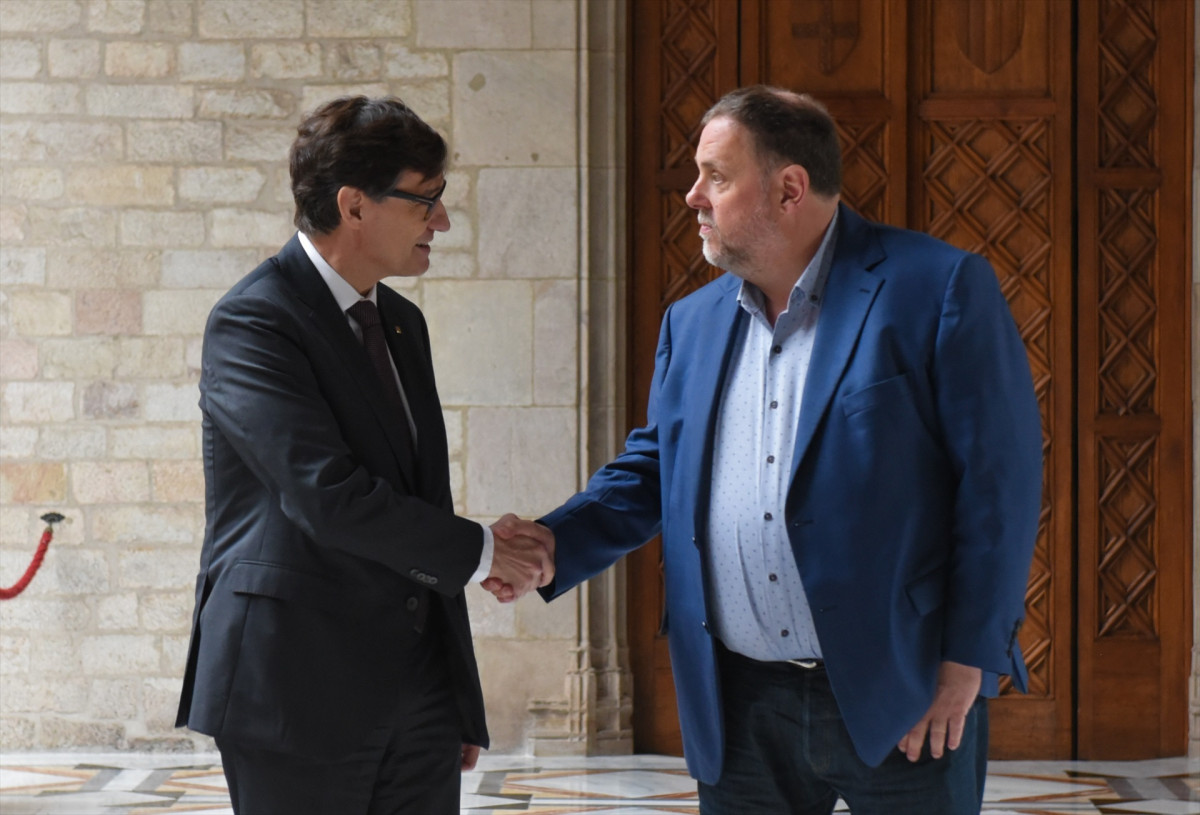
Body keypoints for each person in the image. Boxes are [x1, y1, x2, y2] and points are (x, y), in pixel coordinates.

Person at [493, 86, 1042, 813]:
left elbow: (998, 488)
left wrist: (966, 660)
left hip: (903, 690)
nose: (692, 196)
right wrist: (554, 543)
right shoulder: (691, 322)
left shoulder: (934, 288)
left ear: (789, 188)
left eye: (716, 177)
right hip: (738, 702)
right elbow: (656, 468)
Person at [175, 96, 553, 814]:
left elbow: (421, 499)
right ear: (354, 205)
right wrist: (483, 552)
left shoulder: (402, 322)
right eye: (425, 200)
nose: (442, 221)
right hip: (295, 691)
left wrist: (456, 694)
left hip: (419, 698)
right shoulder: (253, 321)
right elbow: (326, 495)